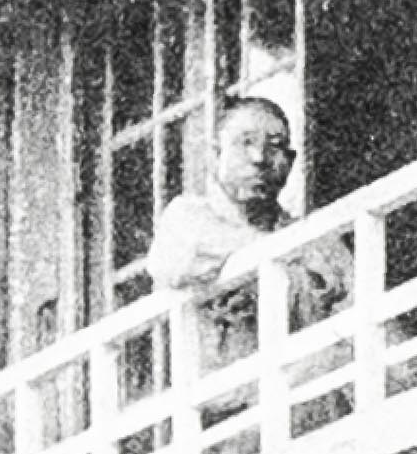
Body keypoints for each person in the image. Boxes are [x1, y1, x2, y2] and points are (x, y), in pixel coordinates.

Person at [149, 95, 353, 373]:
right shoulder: (189, 217)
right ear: (215, 155)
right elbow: (175, 264)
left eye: (275, 146)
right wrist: (295, 256)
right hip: (226, 388)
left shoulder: (316, 242)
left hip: (304, 381)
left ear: (290, 162)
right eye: (245, 142)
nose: (259, 158)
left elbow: (362, 307)